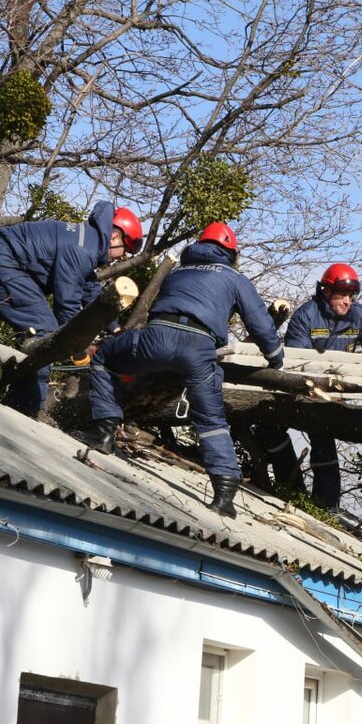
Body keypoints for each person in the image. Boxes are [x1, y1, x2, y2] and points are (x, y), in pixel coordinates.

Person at [87, 222, 284, 518]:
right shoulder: (233, 277)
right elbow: (259, 322)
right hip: (197, 349)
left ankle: (103, 433)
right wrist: (276, 357)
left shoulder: (178, 271)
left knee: (103, 358)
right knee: (210, 419)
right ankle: (224, 492)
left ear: (199, 246)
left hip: (155, 339)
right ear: (231, 253)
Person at [0, 202, 142, 419]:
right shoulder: (82, 249)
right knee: (45, 330)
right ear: (115, 238)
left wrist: (115, 329)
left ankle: (15, 393)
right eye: (123, 252)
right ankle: (26, 408)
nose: (120, 257)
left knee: (37, 331)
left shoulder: (87, 240)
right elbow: (66, 303)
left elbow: (89, 291)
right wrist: (78, 348)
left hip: (1, 263)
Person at [259, 263, 362, 511]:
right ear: (326, 291)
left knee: (324, 440)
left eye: (351, 296)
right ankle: (290, 489)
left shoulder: (357, 316)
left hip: (330, 397)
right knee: (270, 431)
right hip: (298, 391)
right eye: (342, 294)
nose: (348, 301)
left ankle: (326, 507)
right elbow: (299, 361)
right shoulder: (306, 316)